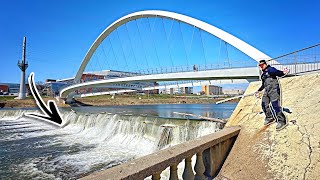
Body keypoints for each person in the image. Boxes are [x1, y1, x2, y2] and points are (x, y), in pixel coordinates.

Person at [256, 60, 289, 130]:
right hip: (267, 91)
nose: (261, 66)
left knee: (275, 105)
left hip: (274, 91)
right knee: (264, 104)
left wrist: (283, 72)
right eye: (260, 65)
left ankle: (282, 121)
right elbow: (263, 84)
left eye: (262, 65)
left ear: (265, 64)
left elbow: (277, 73)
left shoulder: (270, 69)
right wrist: (259, 90)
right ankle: (270, 117)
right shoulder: (263, 75)